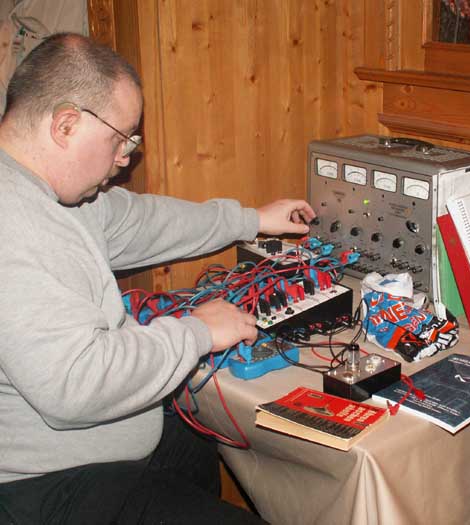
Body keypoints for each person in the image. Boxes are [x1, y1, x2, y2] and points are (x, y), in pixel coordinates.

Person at [0, 32, 315, 524]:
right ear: (65, 125)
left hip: (97, 451)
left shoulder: (52, 192)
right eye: (120, 138)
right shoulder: (13, 224)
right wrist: (197, 331)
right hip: (42, 485)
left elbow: (140, 222)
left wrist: (251, 219)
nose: (126, 157)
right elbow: (76, 385)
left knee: (193, 440)